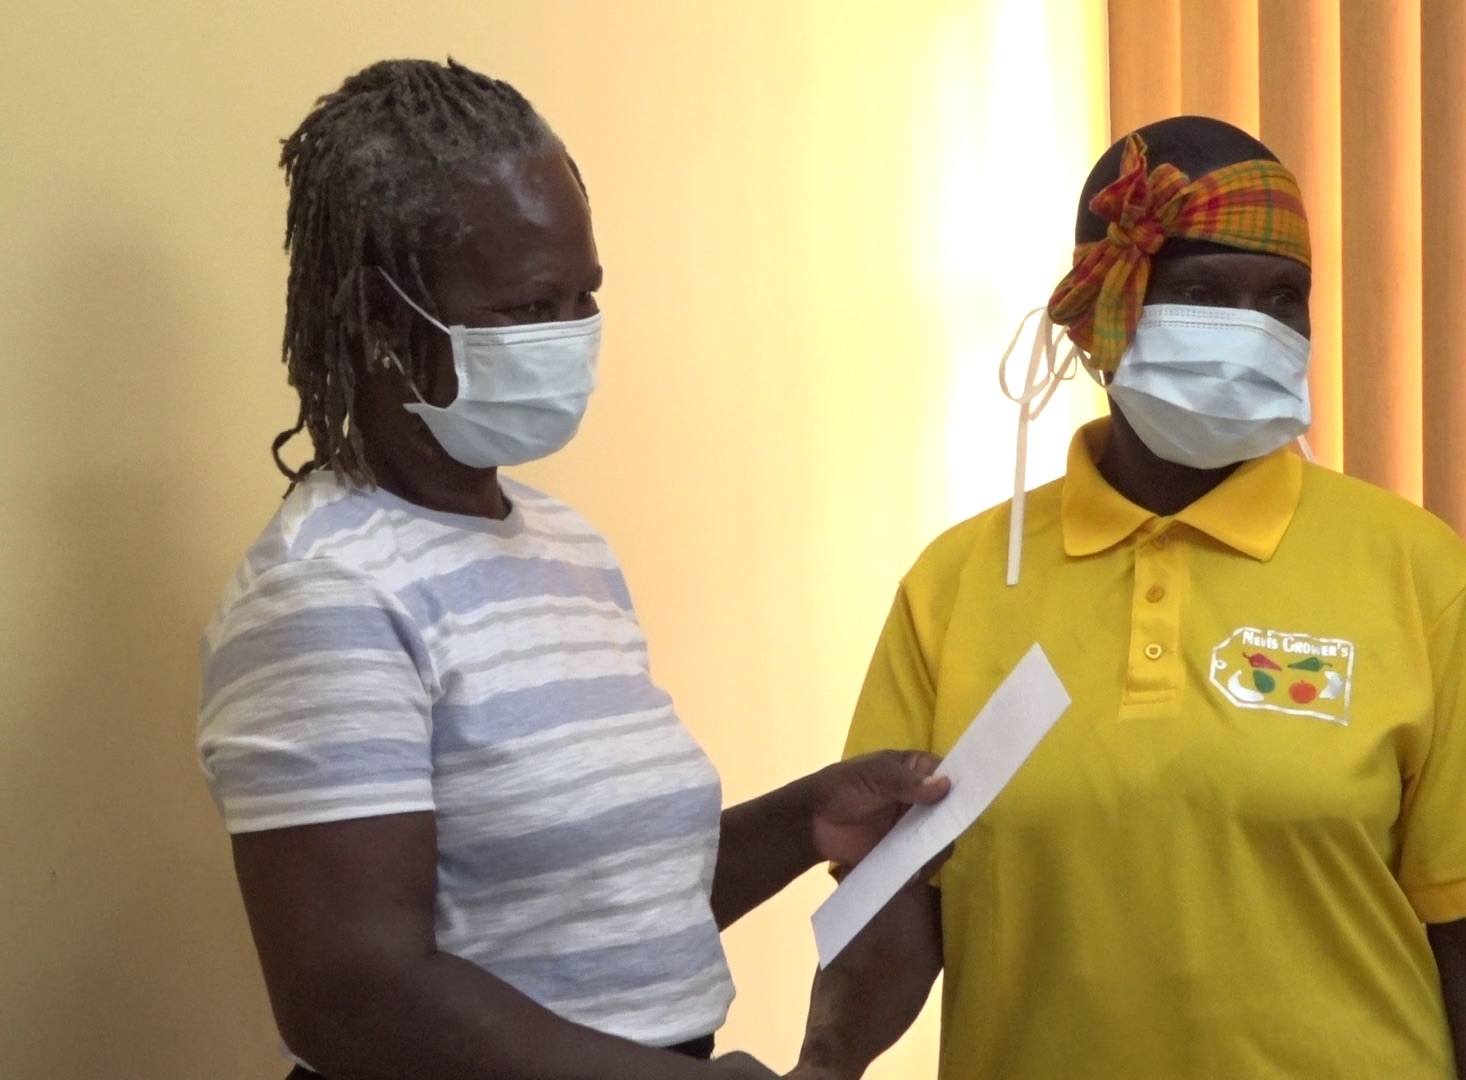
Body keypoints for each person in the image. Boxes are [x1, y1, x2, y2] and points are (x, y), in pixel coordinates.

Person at [197, 58, 947, 1080]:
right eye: (526, 308)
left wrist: (806, 821)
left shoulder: (564, 546)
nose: (572, 338)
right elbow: (358, 998)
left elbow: (595, 913)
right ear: (382, 321)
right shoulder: (324, 592)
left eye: (584, 296)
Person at [793, 116, 1466, 1080]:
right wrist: (820, 1068)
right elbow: (894, 905)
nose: (1251, 330)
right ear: (1096, 313)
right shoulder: (957, 586)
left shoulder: (1415, 572)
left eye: (1282, 298)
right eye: (1202, 292)